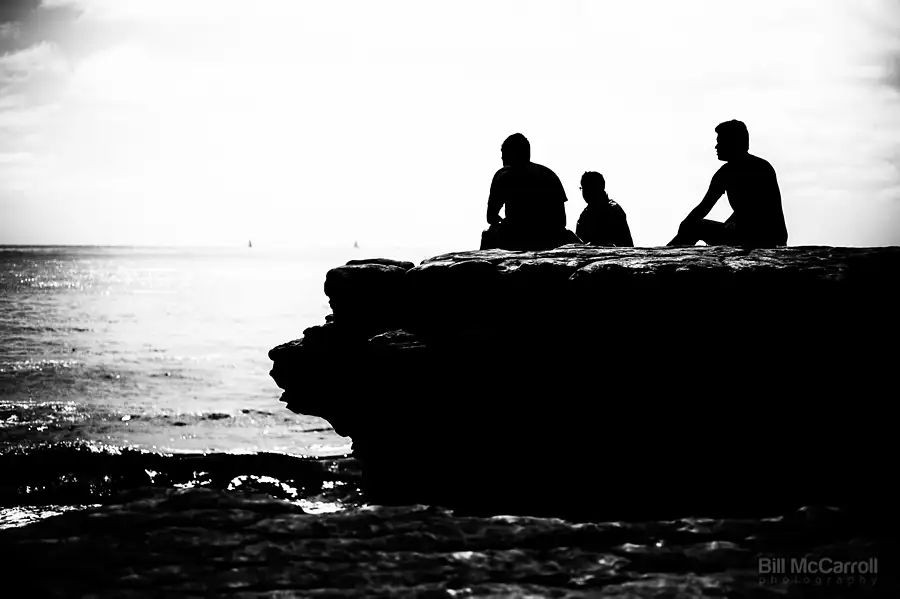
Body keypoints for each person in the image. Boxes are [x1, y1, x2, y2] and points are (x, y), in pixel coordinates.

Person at [668, 120, 788, 248]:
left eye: (720, 142)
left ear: (733, 143)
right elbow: (745, 209)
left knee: (694, 226)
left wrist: (685, 225)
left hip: (762, 238)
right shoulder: (734, 171)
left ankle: (666, 255)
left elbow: (704, 208)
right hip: (758, 236)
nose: (716, 147)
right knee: (692, 225)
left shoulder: (756, 169)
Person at [481, 133, 581, 251]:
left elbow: (490, 217)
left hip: (516, 236)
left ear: (510, 154)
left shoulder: (503, 176)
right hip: (550, 236)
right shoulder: (549, 174)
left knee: (488, 234)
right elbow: (561, 220)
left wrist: (506, 222)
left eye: (503, 155)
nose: (502, 159)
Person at [575, 171, 634, 247]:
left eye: (587, 188)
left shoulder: (613, 212)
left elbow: (621, 244)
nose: (585, 192)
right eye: (583, 188)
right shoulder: (586, 214)